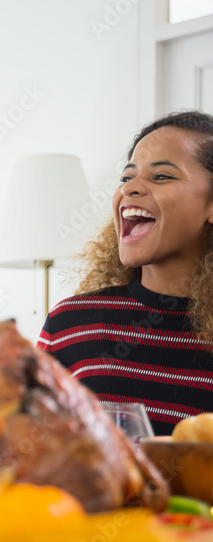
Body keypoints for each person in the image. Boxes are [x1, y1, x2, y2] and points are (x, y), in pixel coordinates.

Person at [38, 110, 213, 436]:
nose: (130, 188)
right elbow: (25, 449)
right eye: (127, 177)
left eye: (161, 177)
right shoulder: (70, 323)